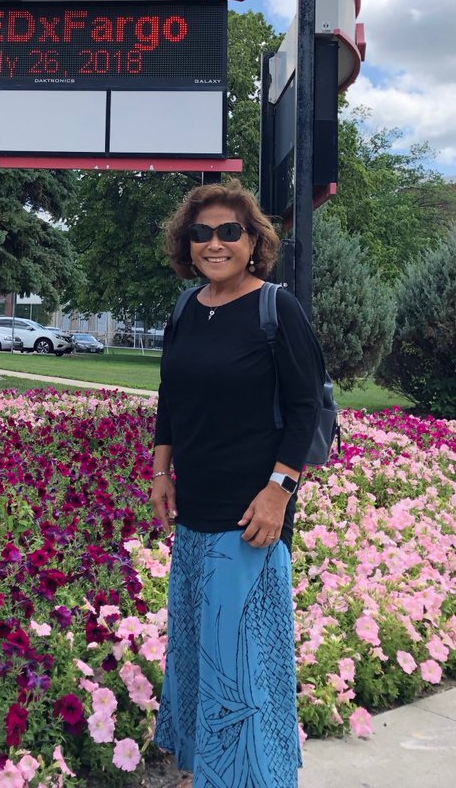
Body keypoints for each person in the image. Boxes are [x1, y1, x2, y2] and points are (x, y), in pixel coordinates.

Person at [150, 179, 325, 788]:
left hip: (251, 519)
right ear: (187, 243)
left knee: (243, 668)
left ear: (254, 241)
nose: (216, 243)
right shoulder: (185, 309)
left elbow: (306, 410)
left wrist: (280, 489)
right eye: (203, 233)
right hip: (194, 514)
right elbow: (171, 398)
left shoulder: (277, 308)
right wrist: (159, 471)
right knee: (201, 658)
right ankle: (208, 773)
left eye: (230, 231)